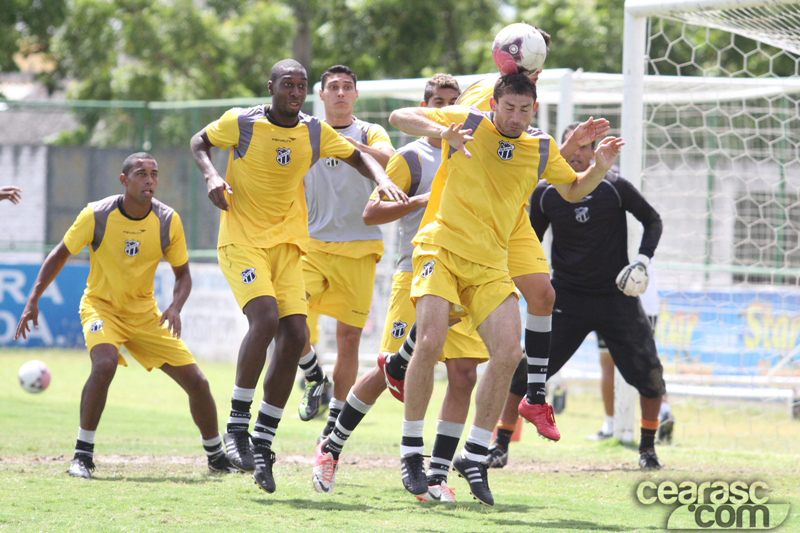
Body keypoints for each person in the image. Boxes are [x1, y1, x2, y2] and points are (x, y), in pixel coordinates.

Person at [389, 74, 623, 505]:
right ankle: (411, 453)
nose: (515, 117)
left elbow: (571, 190)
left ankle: (475, 454)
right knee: (431, 342)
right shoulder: (469, 122)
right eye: (508, 108)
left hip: (490, 261)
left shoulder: (541, 147)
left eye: (524, 109)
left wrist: (599, 168)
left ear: (534, 109)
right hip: (439, 248)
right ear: (494, 103)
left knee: (509, 353)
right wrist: (442, 131)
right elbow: (399, 115)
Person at [189, 59, 406, 494]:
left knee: (293, 337)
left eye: (301, 86)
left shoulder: (314, 130)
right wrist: (212, 174)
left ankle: (263, 443)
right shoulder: (241, 122)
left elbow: (358, 157)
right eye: (287, 84)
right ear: (270, 86)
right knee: (266, 321)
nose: (294, 91)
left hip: (289, 247)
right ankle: (236, 426)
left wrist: (382, 178)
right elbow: (199, 141)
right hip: (242, 240)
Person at [312, 74, 488, 503]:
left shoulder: (476, 152)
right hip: (416, 273)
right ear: (425, 108)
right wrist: (417, 202)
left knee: (464, 373)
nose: (443, 110)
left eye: (451, 103)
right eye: (436, 103)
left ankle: (438, 474)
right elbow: (372, 212)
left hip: (463, 275)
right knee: (391, 368)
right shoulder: (411, 157)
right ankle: (331, 444)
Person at [14, 152, 236, 479]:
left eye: (154, 174)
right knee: (104, 364)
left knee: (198, 383)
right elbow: (60, 253)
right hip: (101, 307)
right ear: (124, 180)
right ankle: (82, 456)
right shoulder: (96, 215)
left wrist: (175, 307)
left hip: (146, 316)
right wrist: (33, 298)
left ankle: (216, 456)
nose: (149, 180)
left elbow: (183, 276)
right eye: (141, 174)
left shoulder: (166, 220)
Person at [487, 122, 666, 470]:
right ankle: (500, 444)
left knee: (650, 374)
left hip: (616, 297)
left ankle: (647, 450)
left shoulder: (614, 186)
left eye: (588, 147)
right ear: (564, 148)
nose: (581, 154)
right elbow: (529, 242)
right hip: (566, 298)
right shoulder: (545, 192)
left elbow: (653, 219)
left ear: (596, 150)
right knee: (523, 374)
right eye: (576, 146)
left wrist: (643, 260)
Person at [295, 65, 395, 442]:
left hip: (359, 246)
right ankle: (313, 375)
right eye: (332, 87)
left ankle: (334, 419)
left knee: (349, 338)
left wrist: (348, 146)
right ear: (320, 95)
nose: (339, 92)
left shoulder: (369, 131)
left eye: (346, 87)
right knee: (285, 322)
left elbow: (389, 161)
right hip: (310, 245)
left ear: (355, 95)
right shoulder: (304, 130)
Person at [585, 267, 675, 443]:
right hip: (647, 301)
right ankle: (664, 411)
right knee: (647, 364)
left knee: (608, 363)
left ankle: (610, 425)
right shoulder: (649, 239)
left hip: (613, 300)